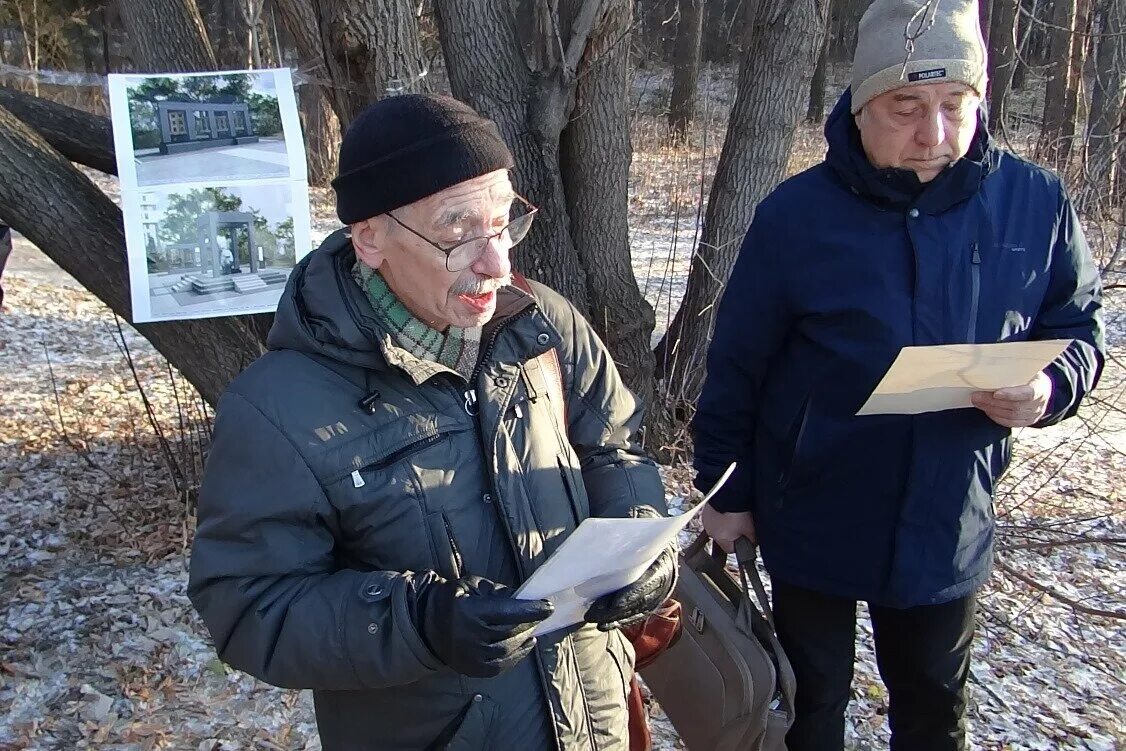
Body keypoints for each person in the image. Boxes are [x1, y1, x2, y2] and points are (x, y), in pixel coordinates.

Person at [188, 94, 675, 751]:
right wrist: (421, 622)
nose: (495, 262)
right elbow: (247, 604)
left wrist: (641, 539)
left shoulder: (539, 323)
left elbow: (614, 446)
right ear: (370, 238)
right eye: (458, 232)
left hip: (596, 722)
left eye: (503, 224)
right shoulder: (279, 409)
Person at [692, 2, 1105, 750]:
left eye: (956, 106)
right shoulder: (796, 217)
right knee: (805, 706)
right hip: (812, 509)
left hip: (947, 515)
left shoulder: (1034, 204)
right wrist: (725, 491)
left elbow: (1076, 331)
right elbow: (736, 367)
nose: (934, 134)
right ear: (859, 106)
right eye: (906, 107)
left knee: (933, 710)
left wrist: (1048, 389)